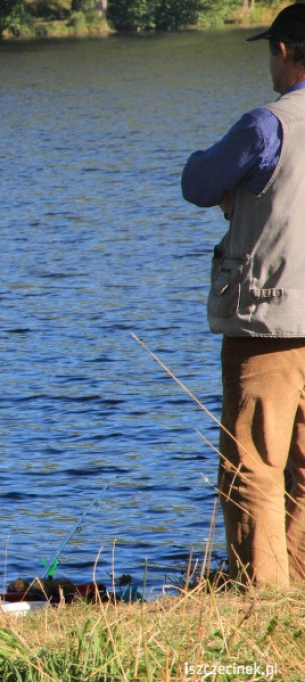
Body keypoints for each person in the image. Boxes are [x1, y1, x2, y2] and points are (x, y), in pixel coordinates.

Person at [181, 4, 305, 587]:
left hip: (271, 323)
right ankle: (296, 588)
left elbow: (199, 183)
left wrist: (232, 188)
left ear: (282, 50)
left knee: (252, 463)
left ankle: (261, 595)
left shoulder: (267, 124)